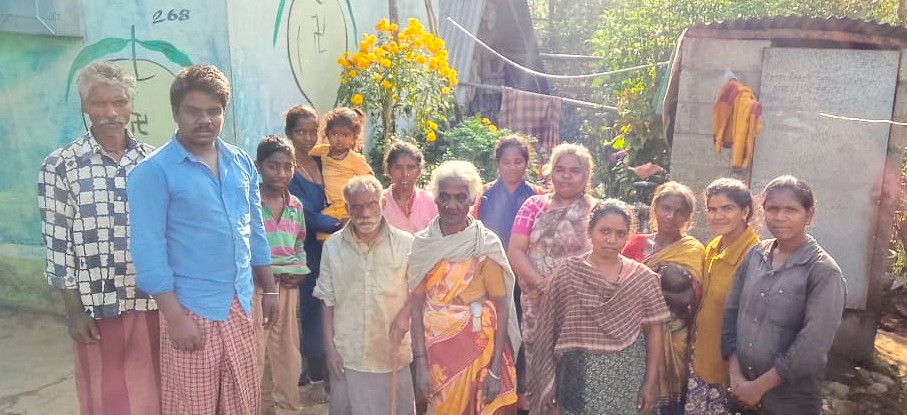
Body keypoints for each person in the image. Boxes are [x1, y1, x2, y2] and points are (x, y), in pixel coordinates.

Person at [127, 64, 278, 415]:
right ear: (176, 113)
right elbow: (148, 252)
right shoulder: (153, 172)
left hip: (240, 304)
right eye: (194, 112)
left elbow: (254, 228)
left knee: (242, 400)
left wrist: (268, 288)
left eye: (214, 111)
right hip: (191, 308)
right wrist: (175, 317)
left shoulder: (240, 162)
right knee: (193, 406)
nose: (205, 120)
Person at [37, 61, 161, 415]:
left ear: (131, 105)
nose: (110, 113)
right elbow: (57, 243)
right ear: (84, 106)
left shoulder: (151, 161)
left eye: (119, 102)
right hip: (97, 302)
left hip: (149, 297)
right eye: (99, 104)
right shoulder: (60, 165)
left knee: (153, 385)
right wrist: (73, 311)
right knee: (107, 393)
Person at [529, 199, 670, 415]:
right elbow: (548, 330)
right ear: (590, 231)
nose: (611, 240)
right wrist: (548, 381)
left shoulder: (642, 278)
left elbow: (655, 332)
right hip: (576, 375)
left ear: (627, 236)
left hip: (626, 378)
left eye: (620, 234)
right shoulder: (568, 273)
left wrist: (650, 384)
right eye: (604, 231)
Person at [721, 175, 846, 415]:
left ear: (809, 215)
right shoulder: (755, 255)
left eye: (791, 210)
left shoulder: (823, 271)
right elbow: (731, 314)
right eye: (772, 209)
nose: (780, 217)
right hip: (740, 392)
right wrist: (736, 376)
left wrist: (757, 388)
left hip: (788, 404)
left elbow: (811, 347)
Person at [409, 160, 521, 414]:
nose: (452, 205)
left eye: (460, 197)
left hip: (479, 355)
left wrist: (494, 370)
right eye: (445, 197)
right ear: (435, 199)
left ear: (472, 200)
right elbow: (415, 306)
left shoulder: (484, 244)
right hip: (434, 354)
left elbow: (502, 308)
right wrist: (421, 363)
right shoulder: (423, 245)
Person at [314, 175, 416, 415]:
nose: (365, 213)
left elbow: (418, 291)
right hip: (348, 355)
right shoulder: (333, 246)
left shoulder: (406, 244)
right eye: (357, 207)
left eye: (371, 204)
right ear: (347, 209)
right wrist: (330, 350)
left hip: (392, 353)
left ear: (382, 205)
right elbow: (327, 300)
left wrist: (405, 314)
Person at [507, 143, 598, 406]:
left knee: (575, 375)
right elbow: (515, 251)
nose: (566, 176)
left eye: (574, 170)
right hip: (538, 304)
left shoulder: (597, 211)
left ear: (587, 175)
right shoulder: (533, 205)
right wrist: (542, 283)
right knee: (538, 369)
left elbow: (607, 255)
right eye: (560, 169)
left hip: (582, 306)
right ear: (550, 173)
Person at [471, 135, 542, 411]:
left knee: (522, 334)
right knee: (491, 330)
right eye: (506, 162)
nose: (512, 167)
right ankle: (489, 385)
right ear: (497, 164)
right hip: (491, 275)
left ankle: (520, 396)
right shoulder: (485, 195)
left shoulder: (536, 196)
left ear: (526, 163)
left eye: (518, 161)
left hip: (524, 279)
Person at [621, 181, 704, 415]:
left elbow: (689, 298)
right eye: (666, 208)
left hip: (674, 336)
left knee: (666, 403)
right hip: (632, 332)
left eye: (679, 211)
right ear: (654, 208)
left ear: (688, 216)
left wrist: (646, 286)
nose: (671, 216)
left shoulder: (692, 250)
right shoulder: (634, 243)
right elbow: (616, 283)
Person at [685, 178, 759, 415]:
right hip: (701, 360)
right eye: (712, 210)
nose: (718, 216)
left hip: (729, 370)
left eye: (727, 209)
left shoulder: (754, 256)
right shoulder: (714, 246)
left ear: (745, 211)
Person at [254, 135, 310, 415]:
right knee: (256, 353)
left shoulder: (296, 205)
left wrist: (300, 271)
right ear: (258, 166)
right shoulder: (249, 202)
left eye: (288, 167)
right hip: (257, 289)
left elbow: (299, 244)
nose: (281, 173)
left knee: (287, 352)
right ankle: (255, 407)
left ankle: (288, 408)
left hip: (287, 287)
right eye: (273, 166)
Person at [285, 105, 339, 392]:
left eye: (312, 132)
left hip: (331, 247)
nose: (307, 138)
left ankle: (328, 362)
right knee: (310, 305)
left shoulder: (321, 163)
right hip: (306, 246)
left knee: (332, 302)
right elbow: (304, 214)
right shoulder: (288, 170)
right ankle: (314, 367)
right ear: (289, 134)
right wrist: (340, 224)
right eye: (300, 132)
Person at [308, 107, 373, 238]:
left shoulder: (355, 159)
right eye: (335, 134)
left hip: (349, 208)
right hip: (330, 209)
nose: (339, 139)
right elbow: (301, 153)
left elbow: (371, 182)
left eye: (345, 135)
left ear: (354, 137)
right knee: (323, 238)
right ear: (327, 134)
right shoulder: (322, 152)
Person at [381, 141, 437, 233]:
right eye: (398, 168)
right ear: (389, 170)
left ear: (419, 171)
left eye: (411, 168)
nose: (405, 174)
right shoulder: (378, 202)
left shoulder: (432, 202)